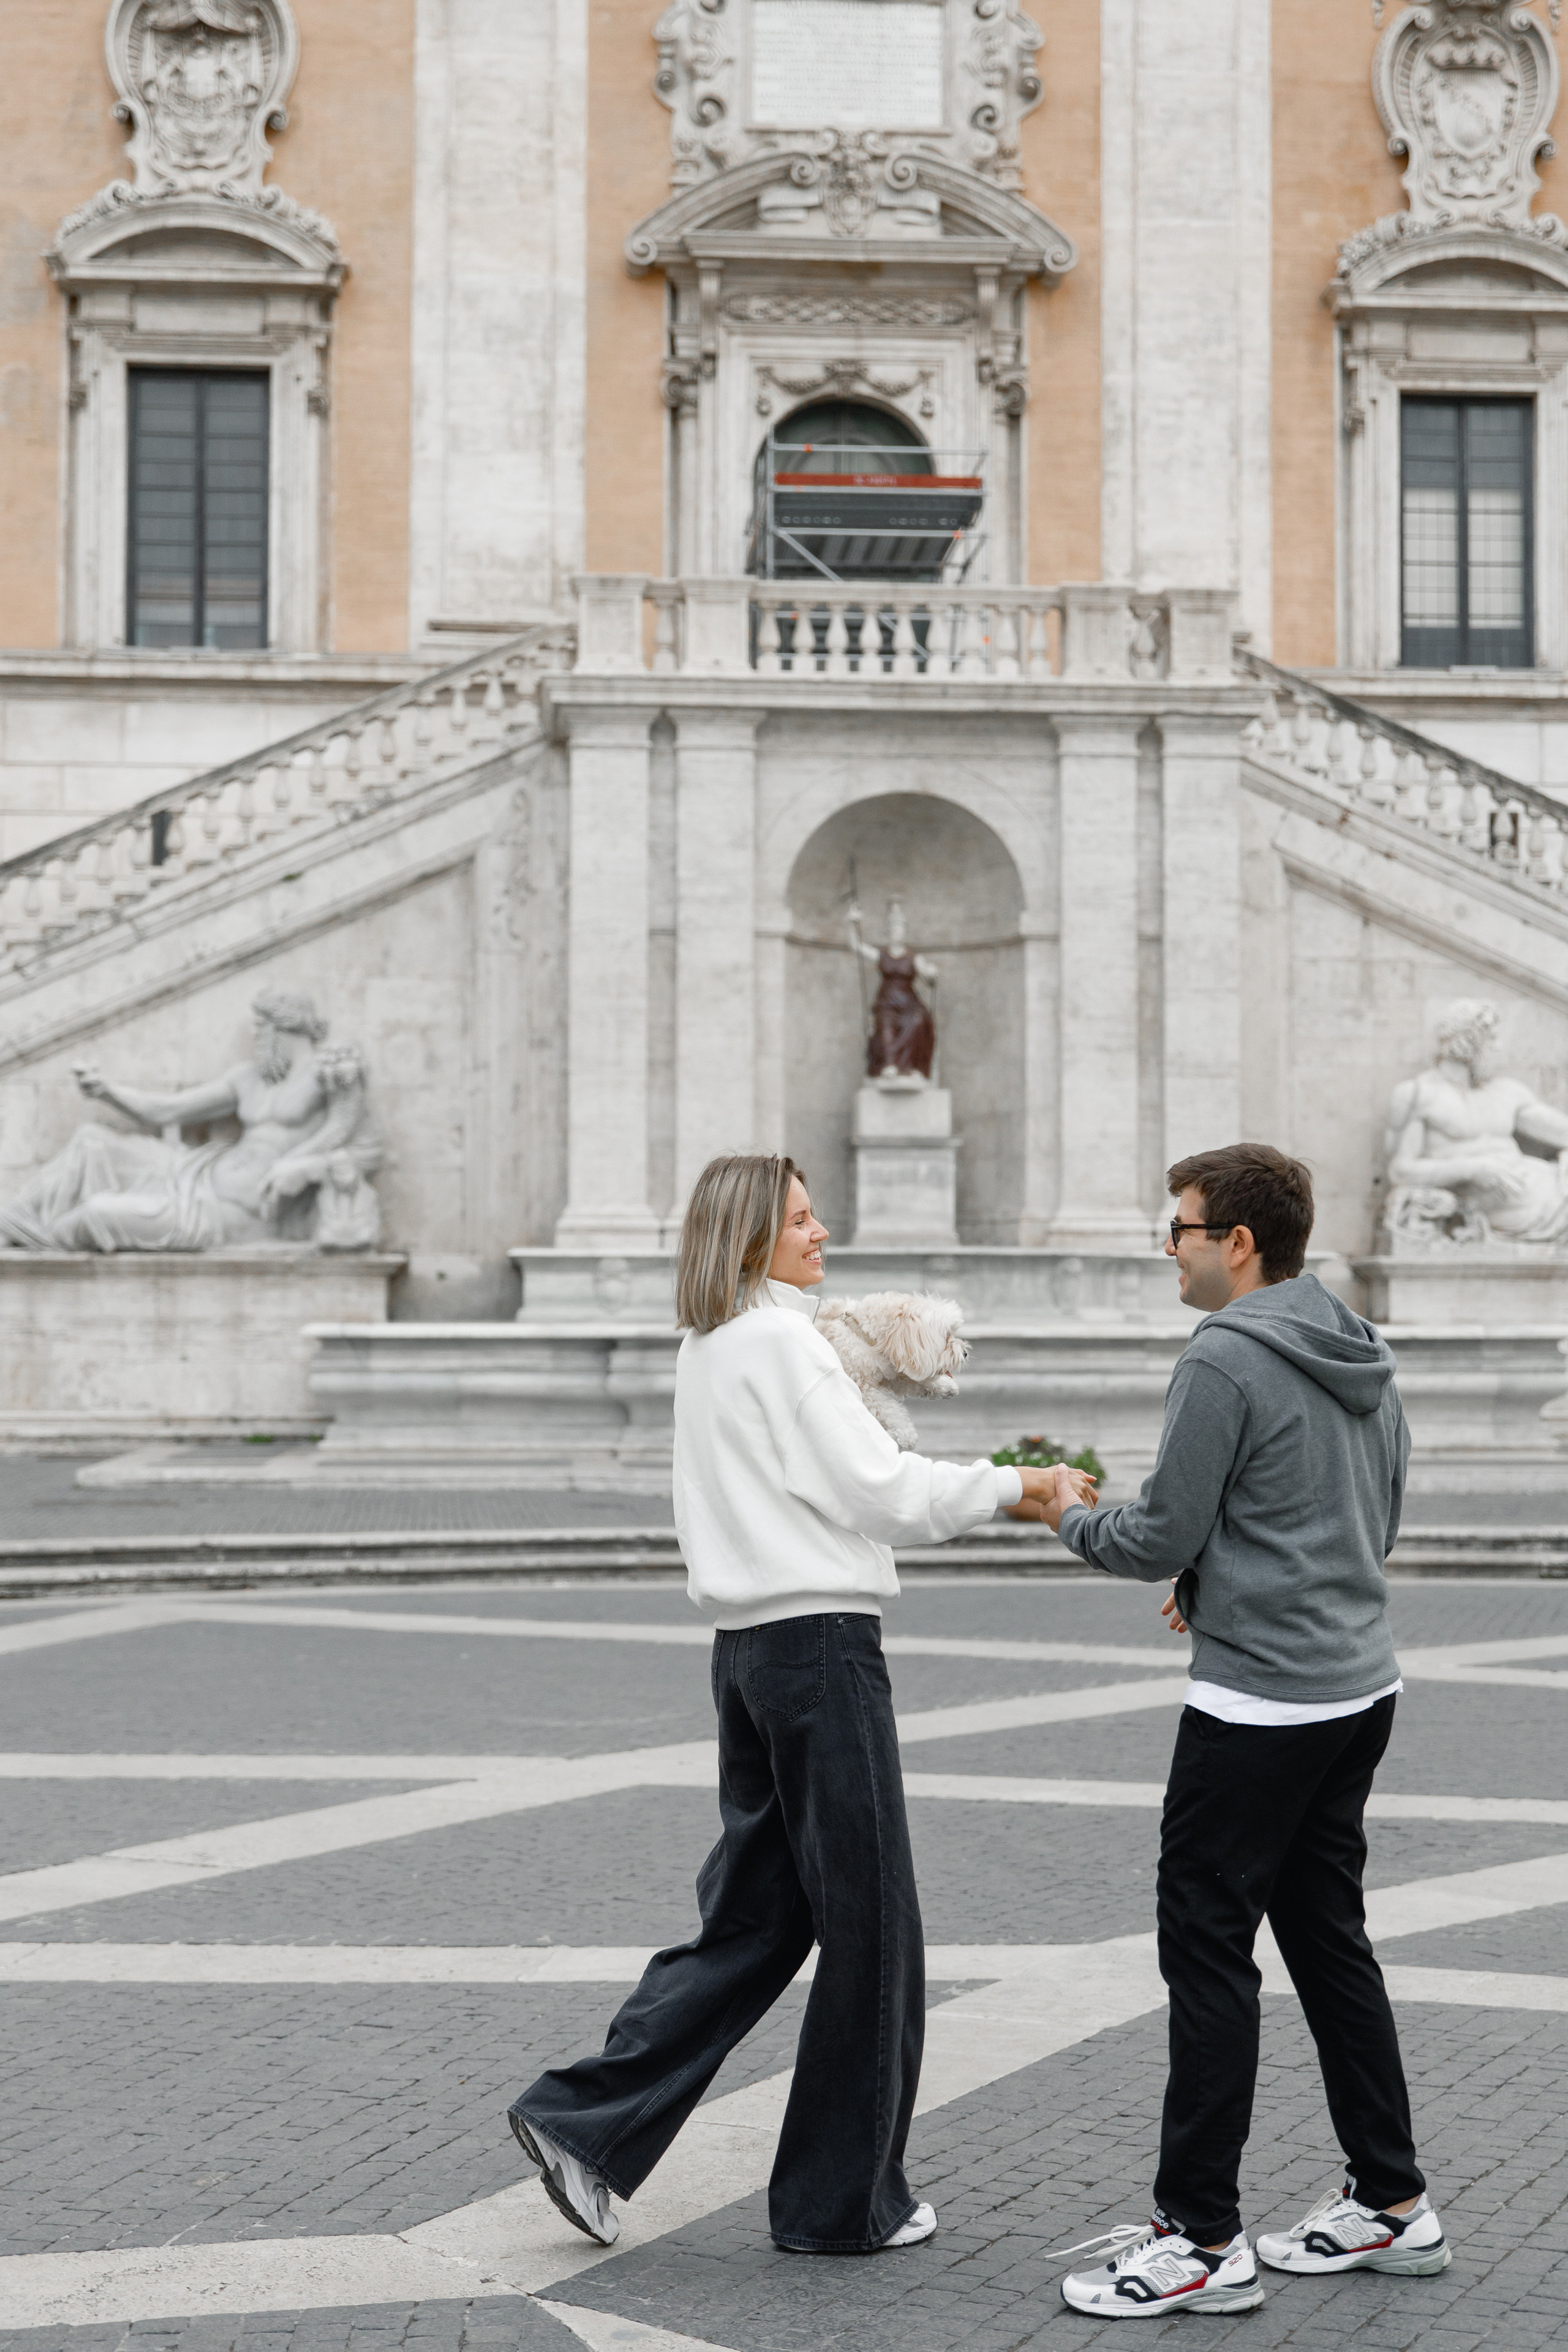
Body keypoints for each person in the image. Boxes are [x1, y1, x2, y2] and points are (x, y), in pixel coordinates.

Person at [507, 1152, 1094, 2255]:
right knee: (875, 1933)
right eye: (800, 1220)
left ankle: (583, 2126)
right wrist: (1024, 1484)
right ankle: (838, 2204)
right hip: (822, 1650)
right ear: (747, 1239)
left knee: (757, 1922)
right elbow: (883, 1490)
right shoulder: (783, 1344)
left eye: (817, 1215)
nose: (822, 1234)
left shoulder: (711, 1345)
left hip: (746, 1655)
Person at [1029, 1142, 1449, 2321]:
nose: (1170, 1246)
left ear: (1239, 1245)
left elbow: (1157, 1531)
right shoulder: (1359, 1342)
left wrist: (1071, 1514)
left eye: (1181, 1229)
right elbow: (1376, 1512)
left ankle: (1201, 2236)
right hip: (1358, 1688)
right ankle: (1391, 2204)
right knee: (1328, 1946)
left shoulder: (1221, 1357)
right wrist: (1229, 1575)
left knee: (1208, 1955)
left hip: (1256, 1707)